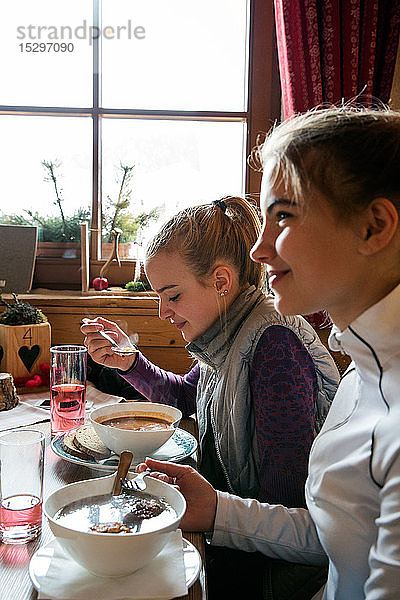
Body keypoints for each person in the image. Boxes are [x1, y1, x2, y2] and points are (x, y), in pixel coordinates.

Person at [139, 105, 400, 600]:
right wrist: (215, 508)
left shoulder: (277, 346)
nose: (257, 251)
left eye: (283, 216)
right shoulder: (360, 376)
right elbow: (330, 536)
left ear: (373, 226)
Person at [82, 196, 339, 599]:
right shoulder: (228, 329)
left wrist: (209, 510)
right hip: (240, 541)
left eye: (173, 295)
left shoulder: (274, 346)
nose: (163, 313)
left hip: (275, 575)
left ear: (221, 281)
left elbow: (287, 500)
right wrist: (129, 363)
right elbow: (188, 396)